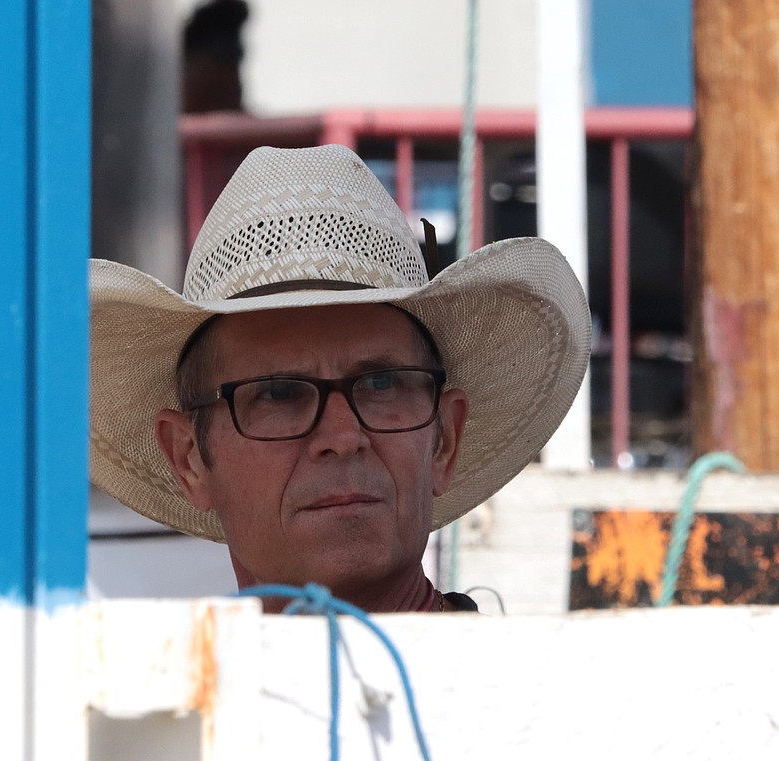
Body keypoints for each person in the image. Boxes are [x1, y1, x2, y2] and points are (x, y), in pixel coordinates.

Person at [89, 144, 590, 613]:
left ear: (445, 440)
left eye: (381, 385)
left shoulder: (540, 701)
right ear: (190, 458)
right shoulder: (165, 702)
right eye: (280, 394)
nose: (343, 437)